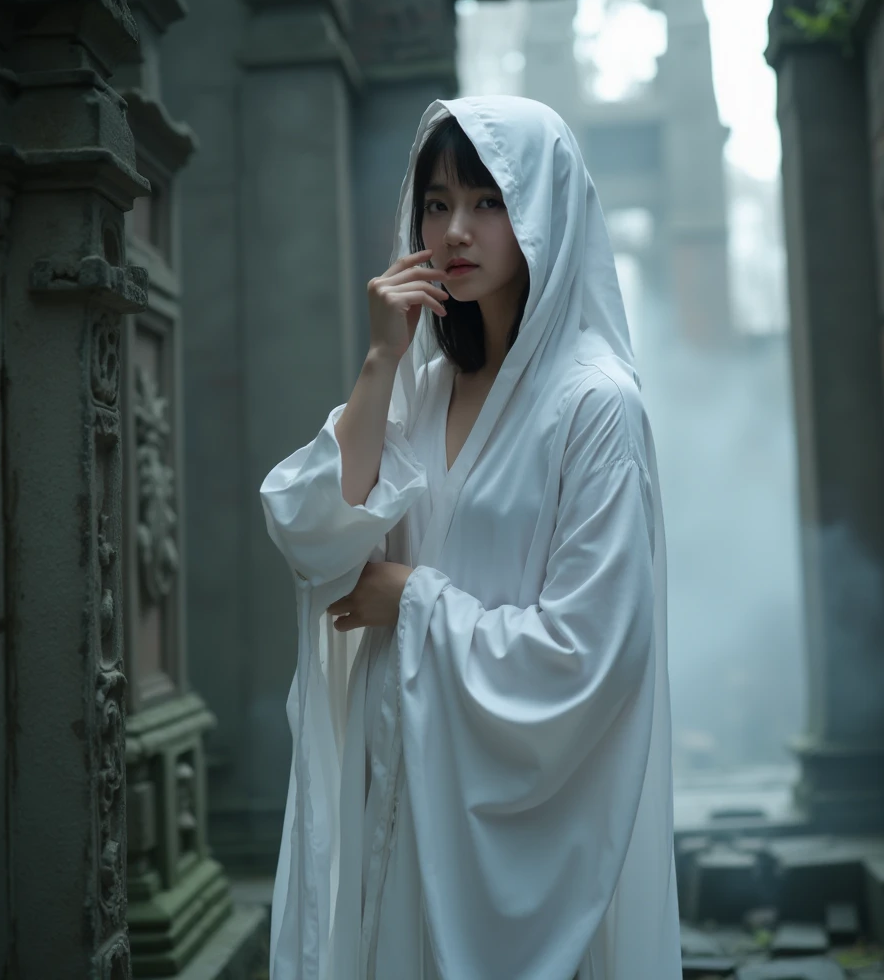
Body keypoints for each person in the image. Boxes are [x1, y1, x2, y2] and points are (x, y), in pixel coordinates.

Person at [259, 96, 681, 980]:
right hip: (398, 787)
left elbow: (590, 653)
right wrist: (381, 359)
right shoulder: (418, 390)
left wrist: (410, 597)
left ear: (545, 210)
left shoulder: (595, 405)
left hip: (506, 822)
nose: (456, 230)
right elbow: (310, 532)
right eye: (438, 201)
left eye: (489, 201)